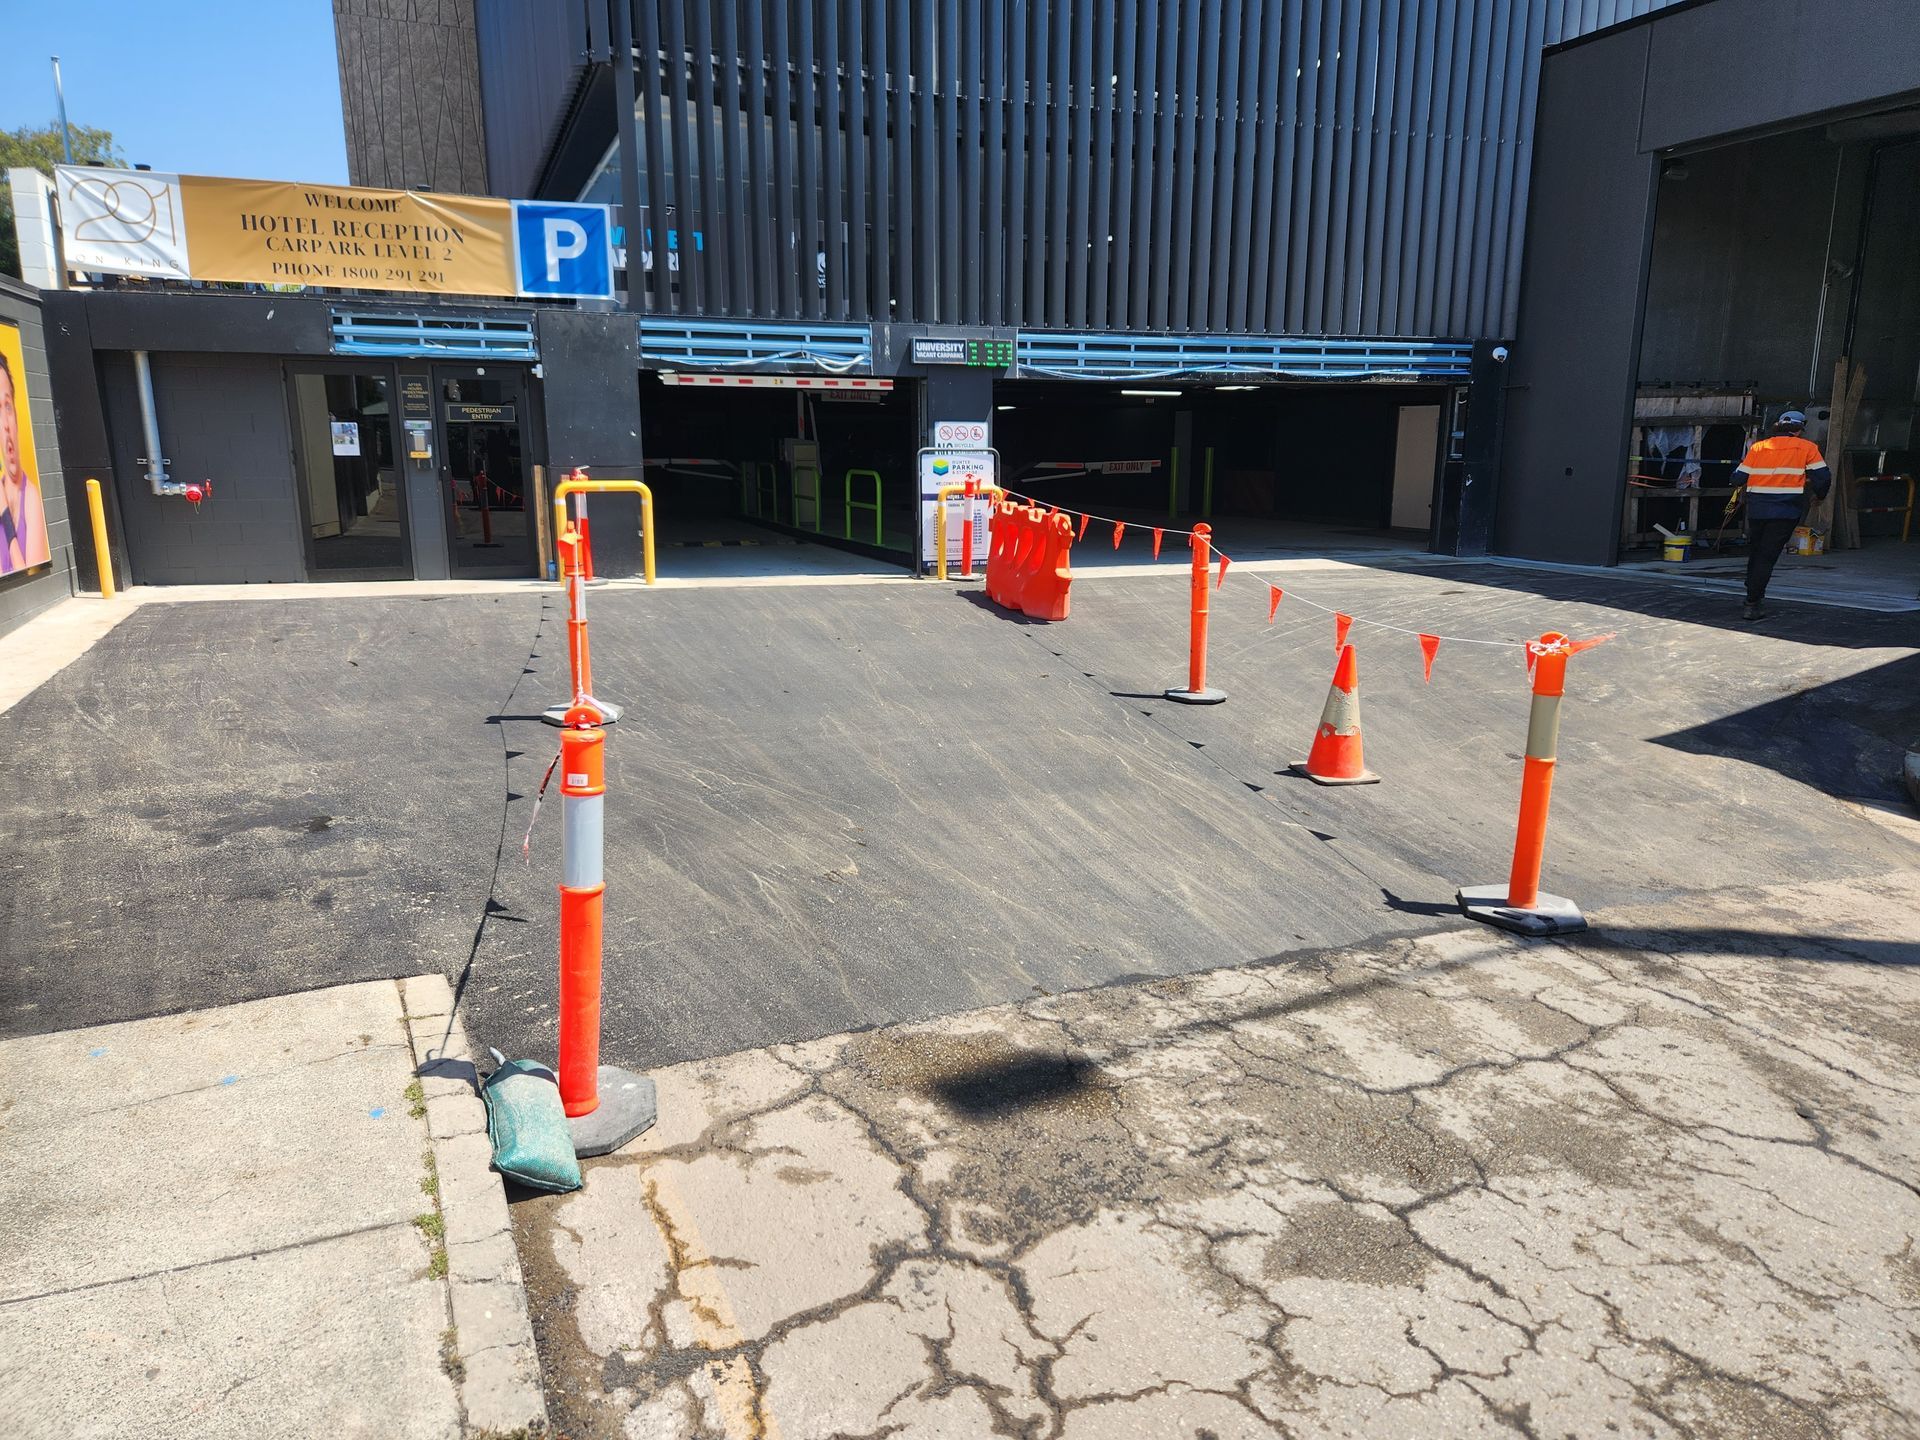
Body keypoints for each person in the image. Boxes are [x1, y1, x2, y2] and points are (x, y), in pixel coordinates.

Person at [1731, 409, 1830, 620]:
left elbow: (1737, 478)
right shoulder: (1807, 448)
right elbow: (1823, 478)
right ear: (1800, 430)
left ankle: (1753, 591)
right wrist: (1819, 496)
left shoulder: (1758, 447)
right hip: (1785, 511)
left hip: (1757, 510)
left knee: (1757, 552)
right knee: (1767, 556)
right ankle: (1752, 601)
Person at [0, 353, 51, 576]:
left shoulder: (30, 498)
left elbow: (30, 575)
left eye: (7, 406)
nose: (6, 425)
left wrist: (6, 520)